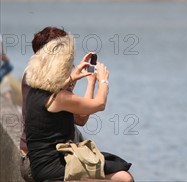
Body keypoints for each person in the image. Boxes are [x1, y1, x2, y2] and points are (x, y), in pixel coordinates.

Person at [24, 29, 133, 182]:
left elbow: (81, 118)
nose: (71, 66)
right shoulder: (60, 98)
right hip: (55, 167)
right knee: (124, 177)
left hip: (44, 164)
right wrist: (103, 80)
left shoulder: (37, 92)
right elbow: (99, 104)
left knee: (113, 164)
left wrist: (87, 81)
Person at [20, 27, 90, 182]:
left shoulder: (32, 74)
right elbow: (81, 118)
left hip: (35, 156)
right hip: (43, 162)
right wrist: (95, 83)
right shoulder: (43, 82)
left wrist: (70, 80)